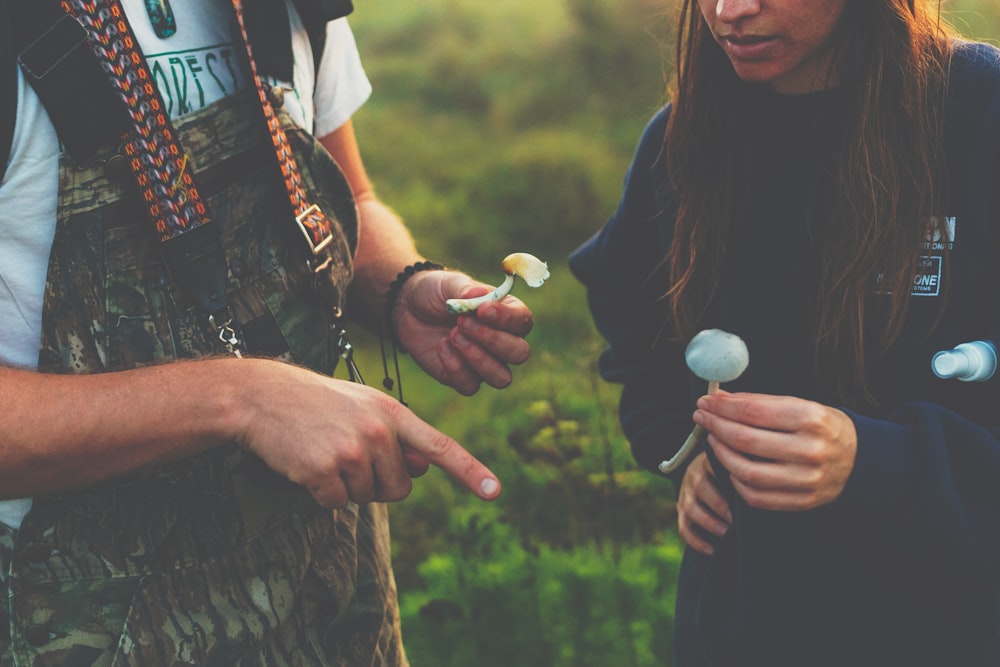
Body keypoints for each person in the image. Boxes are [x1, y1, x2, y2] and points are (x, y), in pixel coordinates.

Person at [0, 0, 534, 664]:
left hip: (336, 598)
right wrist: (242, 399)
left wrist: (400, 285)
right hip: (85, 623)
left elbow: (351, 198)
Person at [570, 1, 1000, 665]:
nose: (729, 11)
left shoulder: (979, 112)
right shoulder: (684, 139)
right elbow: (631, 309)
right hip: (741, 627)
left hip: (948, 623)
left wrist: (880, 459)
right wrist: (681, 448)